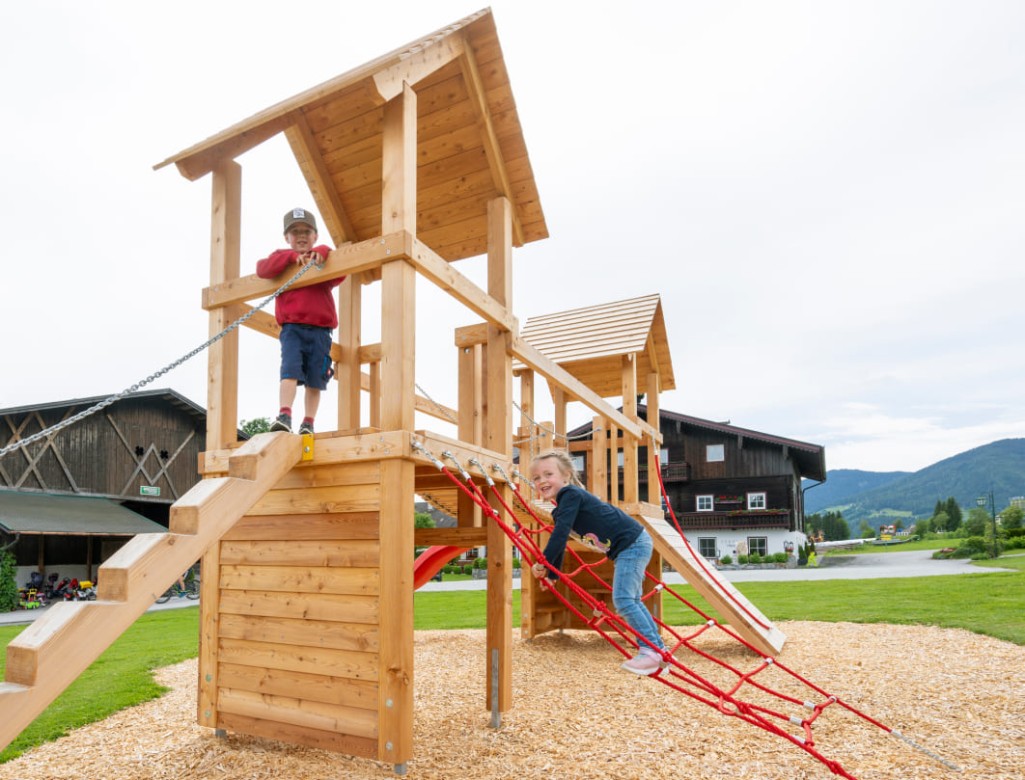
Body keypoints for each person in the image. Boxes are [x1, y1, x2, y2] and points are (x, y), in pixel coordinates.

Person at [529, 448, 668, 676]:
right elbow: (561, 540)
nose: (542, 480)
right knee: (631, 599)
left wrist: (542, 563)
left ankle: (651, 651)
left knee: (623, 600)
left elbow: (560, 535)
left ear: (566, 476)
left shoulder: (570, 495)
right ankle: (658, 650)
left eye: (548, 474)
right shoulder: (561, 509)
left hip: (631, 543)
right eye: (536, 478)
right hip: (632, 544)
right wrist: (552, 574)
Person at [257, 208, 344, 434]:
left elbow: (342, 271)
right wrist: (291, 258)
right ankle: (285, 415)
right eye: (295, 232)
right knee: (290, 371)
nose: (302, 236)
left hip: (321, 332)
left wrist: (322, 251)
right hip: (293, 329)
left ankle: (308, 422)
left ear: (315, 236)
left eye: (307, 231)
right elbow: (262, 269)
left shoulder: (320, 260)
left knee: (316, 379)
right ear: (287, 237)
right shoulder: (282, 260)